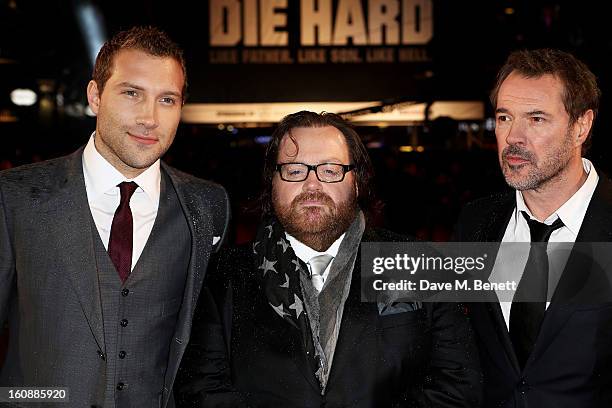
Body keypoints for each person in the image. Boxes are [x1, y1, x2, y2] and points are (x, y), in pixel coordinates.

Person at [177, 111, 481, 407]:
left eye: (331, 170)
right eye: (295, 170)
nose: (312, 185)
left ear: (357, 182)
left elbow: (458, 385)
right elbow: (201, 389)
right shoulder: (226, 273)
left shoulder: (416, 263)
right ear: (273, 184)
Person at [0, 26, 230, 407]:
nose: (149, 118)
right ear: (95, 96)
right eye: (132, 93)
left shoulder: (208, 205)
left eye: (167, 99)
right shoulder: (16, 197)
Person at [454, 49, 612, 407]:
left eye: (536, 119)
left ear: (581, 126)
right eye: (505, 117)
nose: (513, 137)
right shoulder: (477, 222)